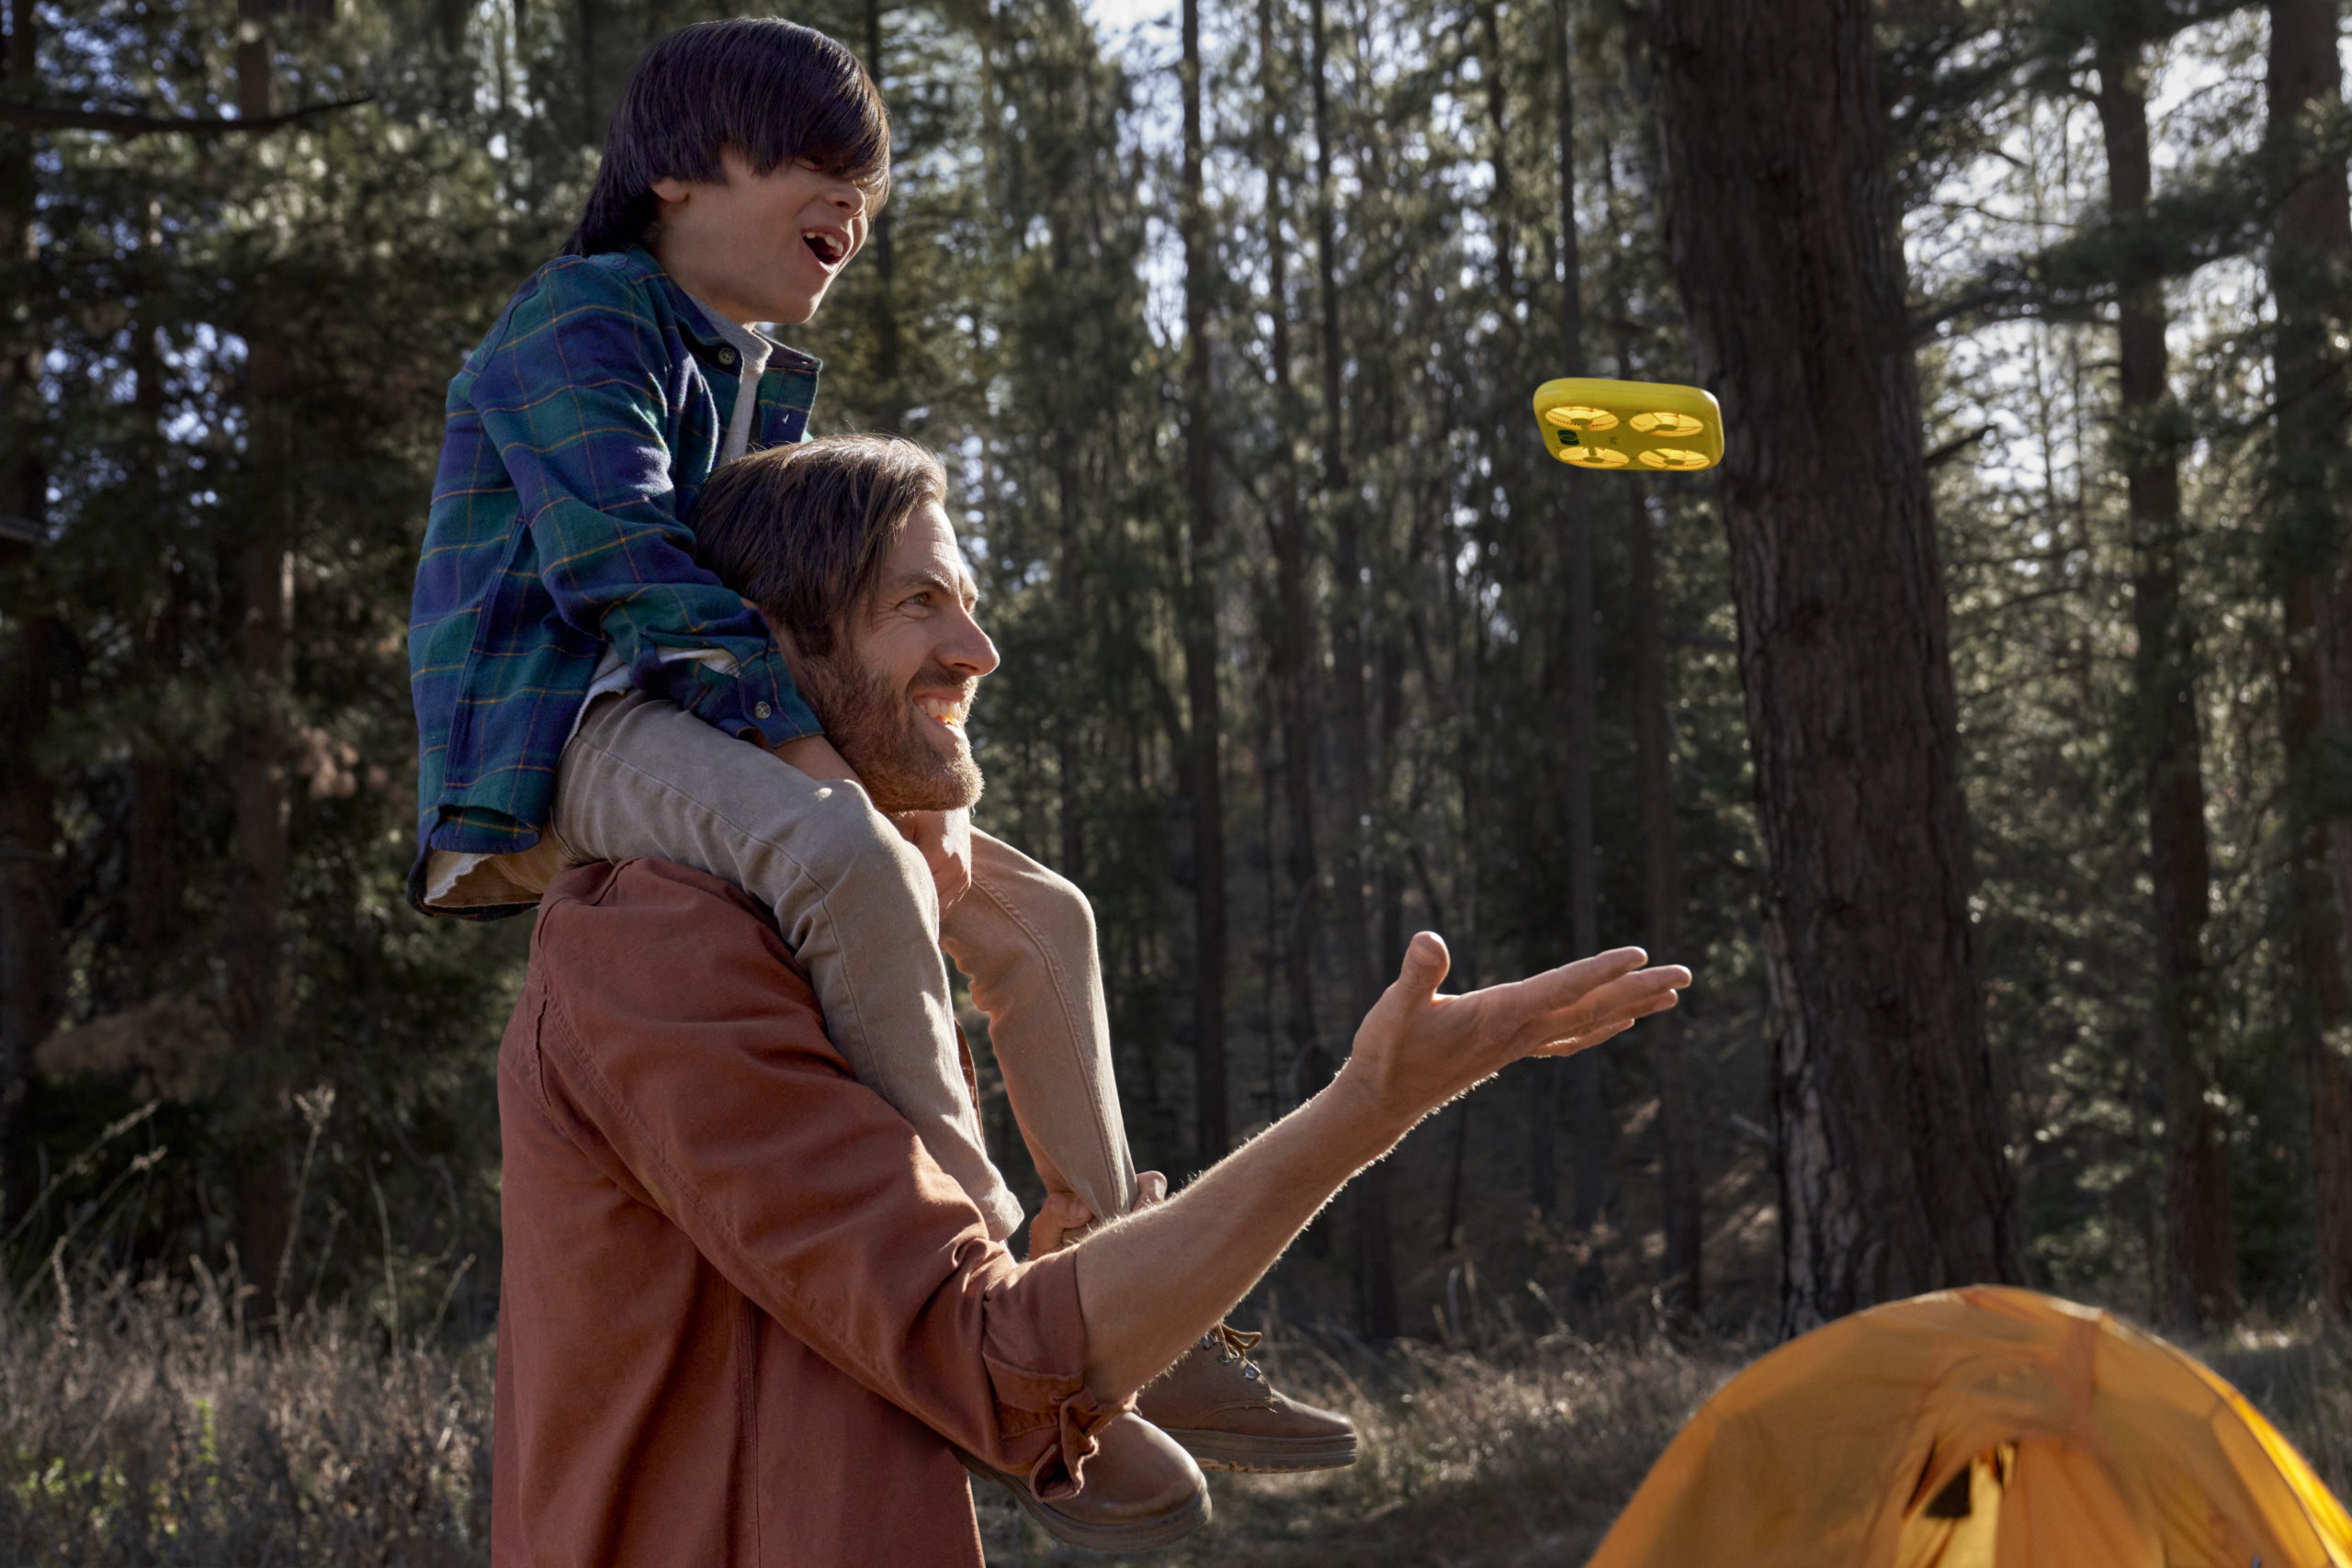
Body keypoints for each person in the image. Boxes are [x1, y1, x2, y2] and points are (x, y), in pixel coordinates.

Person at [406, 17, 1348, 1525]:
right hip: (565, 726)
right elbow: (622, 568)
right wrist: (835, 783)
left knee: (1042, 918)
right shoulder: (577, 323)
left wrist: (910, 798)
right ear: (673, 174)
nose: (853, 201)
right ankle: (983, 1320)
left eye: (870, 181)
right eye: (815, 162)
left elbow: (799, 624)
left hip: (694, 716)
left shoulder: (745, 369)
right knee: (844, 855)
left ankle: (1119, 1300)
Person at [491, 437, 1693, 1564]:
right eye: (919, 604)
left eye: (970, 603)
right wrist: (1364, 1110)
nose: (978, 650)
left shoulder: (839, 939)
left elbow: (986, 1352)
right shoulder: (657, 951)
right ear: (766, 646)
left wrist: (1094, 1302)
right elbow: (989, 1356)